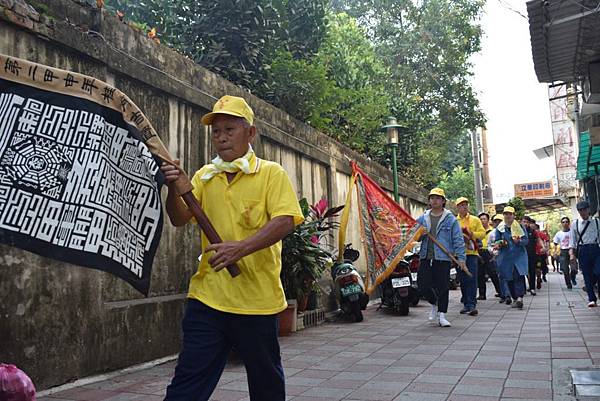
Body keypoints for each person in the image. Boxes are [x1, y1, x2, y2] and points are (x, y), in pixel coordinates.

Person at [160, 95, 304, 401]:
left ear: (250, 133)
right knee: (187, 383)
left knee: (266, 385)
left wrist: (241, 248)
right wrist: (174, 186)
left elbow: (285, 221)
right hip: (207, 297)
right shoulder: (204, 176)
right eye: (216, 131)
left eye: (230, 129)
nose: (222, 137)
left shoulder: (270, 173)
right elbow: (178, 217)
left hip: (257, 301)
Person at [416, 188, 467, 327]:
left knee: (443, 287)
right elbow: (414, 236)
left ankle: (442, 315)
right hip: (426, 256)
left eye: (438, 198)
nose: (435, 200)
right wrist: (421, 233)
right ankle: (434, 303)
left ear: (443, 201)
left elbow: (457, 239)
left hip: (443, 258)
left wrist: (461, 259)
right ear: (429, 200)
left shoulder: (450, 219)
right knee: (422, 285)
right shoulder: (423, 217)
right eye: (432, 198)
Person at [489, 206, 529, 309]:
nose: (508, 216)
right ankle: (515, 298)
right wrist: (500, 243)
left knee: (518, 276)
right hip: (505, 257)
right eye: (506, 214)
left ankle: (520, 298)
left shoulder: (519, 226)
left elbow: (526, 240)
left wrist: (518, 241)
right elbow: (496, 241)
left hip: (518, 256)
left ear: (513, 215)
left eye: (510, 214)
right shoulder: (500, 228)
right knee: (508, 278)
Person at [455, 197, 485, 316]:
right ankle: (466, 304)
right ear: (457, 207)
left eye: (466, 205)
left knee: (471, 278)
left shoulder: (475, 220)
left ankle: (472, 304)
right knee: (462, 279)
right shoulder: (454, 221)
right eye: (461, 205)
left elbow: (482, 234)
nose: (464, 207)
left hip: (472, 254)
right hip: (459, 254)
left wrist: (472, 234)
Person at [569, 200, 600, 307]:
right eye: (580, 210)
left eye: (584, 210)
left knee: (598, 272)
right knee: (587, 274)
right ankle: (592, 299)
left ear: (588, 210)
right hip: (583, 250)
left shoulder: (596, 222)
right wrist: (572, 254)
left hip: (596, 249)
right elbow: (572, 241)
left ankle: (593, 289)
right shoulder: (575, 224)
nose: (583, 212)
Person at [477, 212, 501, 300]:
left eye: (484, 219)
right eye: (480, 219)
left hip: (489, 252)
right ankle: (482, 294)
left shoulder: (493, 231)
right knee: (480, 274)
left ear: (488, 220)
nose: (482, 221)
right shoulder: (477, 231)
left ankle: (500, 292)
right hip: (479, 252)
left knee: (493, 273)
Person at [491, 214, 512, 304]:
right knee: (501, 276)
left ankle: (508, 294)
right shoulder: (492, 233)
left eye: (499, 221)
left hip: (508, 256)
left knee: (508, 276)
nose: (497, 223)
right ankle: (504, 294)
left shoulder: (508, 231)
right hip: (497, 257)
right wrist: (493, 251)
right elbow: (489, 245)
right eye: (495, 221)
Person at [554, 216, 576, 289]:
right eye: (563, 222)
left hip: (572, 250)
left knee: (574, 269)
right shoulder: (559, 234)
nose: (565, 223)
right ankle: (568, 284)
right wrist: (555, 252)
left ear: (569, 223)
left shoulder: (573, 232)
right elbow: (555, 243)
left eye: (566, 222)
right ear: (561, 224)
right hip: (563, 252)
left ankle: (573, 277)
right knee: (565, 270)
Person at [521, 216, 538, 295]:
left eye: (527, 222)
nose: (525, 223)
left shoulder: (532, 231)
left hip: (532, 254)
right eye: (524, 221)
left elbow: (538, 239)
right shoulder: (518, 231)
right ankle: (522, 289)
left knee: (532, 271)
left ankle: (532, 288)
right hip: (521, 255)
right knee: (521, 272)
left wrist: (543, 247)